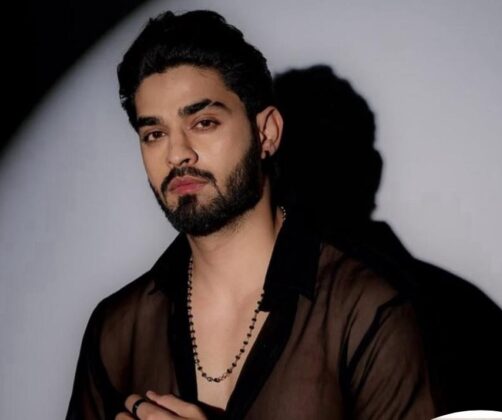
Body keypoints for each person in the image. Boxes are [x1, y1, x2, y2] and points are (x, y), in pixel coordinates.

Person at [66, 10, 434, 420]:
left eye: (204, 122)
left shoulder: (367, 310)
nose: (177, 154)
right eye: (154, 134)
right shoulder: (117, 329)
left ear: (266, 133)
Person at [273, 65, 502, 420]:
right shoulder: (476, 321)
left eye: (320, 161)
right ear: (373, 172)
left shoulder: (242, 321)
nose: (305, 188)